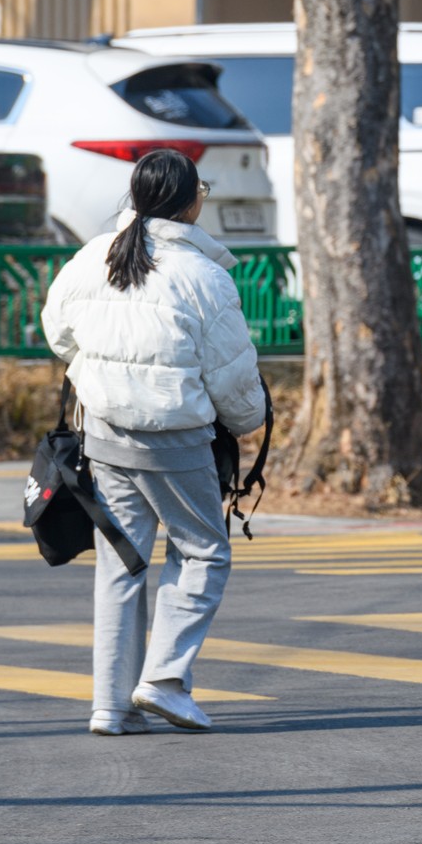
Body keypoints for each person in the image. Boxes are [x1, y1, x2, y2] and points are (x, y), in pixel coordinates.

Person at [40, 149, 265, 736]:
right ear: (192, 201)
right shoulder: (204, 276)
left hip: (106, 434)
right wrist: (247, 422)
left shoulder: (94, 257)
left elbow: (58, 331)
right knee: (202, 552)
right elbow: (233, 379)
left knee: (120, 561)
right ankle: (163, 681)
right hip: (176, 440)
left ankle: (109, 707)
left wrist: (108, 376)